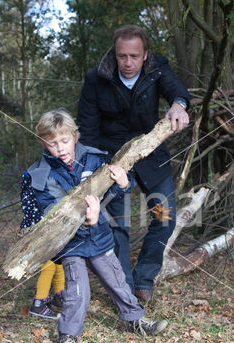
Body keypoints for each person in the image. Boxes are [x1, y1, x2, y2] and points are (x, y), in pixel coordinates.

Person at [26, 109, 168, 343]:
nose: (60, 148)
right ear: (43, 143)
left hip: (100, 236)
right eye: (52, 143)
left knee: (117, 281)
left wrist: (124, 183)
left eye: (64, 140)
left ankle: (135, 320)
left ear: (75, 136)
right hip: (70, 243)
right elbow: (52, 212)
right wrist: (84, 219)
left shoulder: (94, 159)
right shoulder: (41, 174)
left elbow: (113, 193)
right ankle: (68, 336)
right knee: (78, 290)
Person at [77, 25, 190, 303]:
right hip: (112, 161)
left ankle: (144, 280)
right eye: (122, 56)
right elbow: (87, 128)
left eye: (134, 56)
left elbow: (177, 90)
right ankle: (124, 290)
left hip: (151, 156)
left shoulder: (157, 68)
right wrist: (89, 170)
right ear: (114, 55)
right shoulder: (96, 78)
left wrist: (179, 104)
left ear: (145, 55)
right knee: (118, 225)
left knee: (165, 218)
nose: (128, 63)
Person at [20, 171, 65, 319]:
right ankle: (39, 302)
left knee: (59, 261)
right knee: (48, 265)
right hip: (40, 228)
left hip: (53, 225)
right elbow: (33, 211)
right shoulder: (35, 179)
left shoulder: (49, 175)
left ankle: (60, 298)